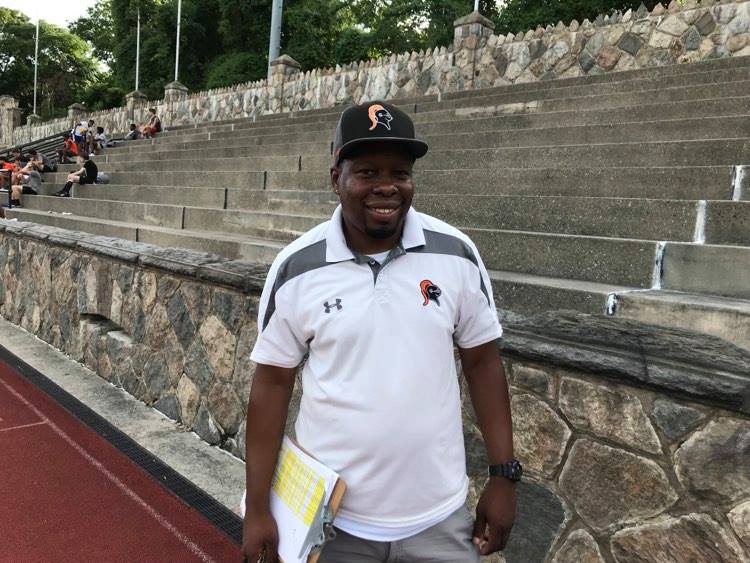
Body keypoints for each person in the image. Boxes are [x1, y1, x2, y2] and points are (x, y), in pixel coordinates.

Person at [242, 101, 518, 563]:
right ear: (336, 178)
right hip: (331, 524)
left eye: (400, 173)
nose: (386, 186)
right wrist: (256, 508)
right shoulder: (296, 268)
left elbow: (483, 362)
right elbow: (271, 384)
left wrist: (503, 475)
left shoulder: (457, 255)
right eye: (367, 172)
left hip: (440, 518)